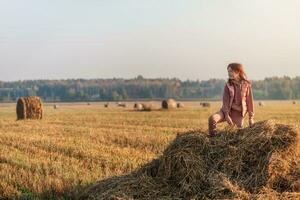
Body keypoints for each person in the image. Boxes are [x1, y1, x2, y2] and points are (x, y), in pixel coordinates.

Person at [208, 63, 254, 136]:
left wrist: (251, 118)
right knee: (212, 119)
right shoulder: (228, 85)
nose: (229, 73)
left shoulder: (246, 85)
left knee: (236, 133)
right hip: (225, 111)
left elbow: (249, 102)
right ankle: (213, 140)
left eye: (231, 71)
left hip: (238, 114)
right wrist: (226, 115)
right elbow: (225, 101)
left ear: (238, 72)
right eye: (228, 71)